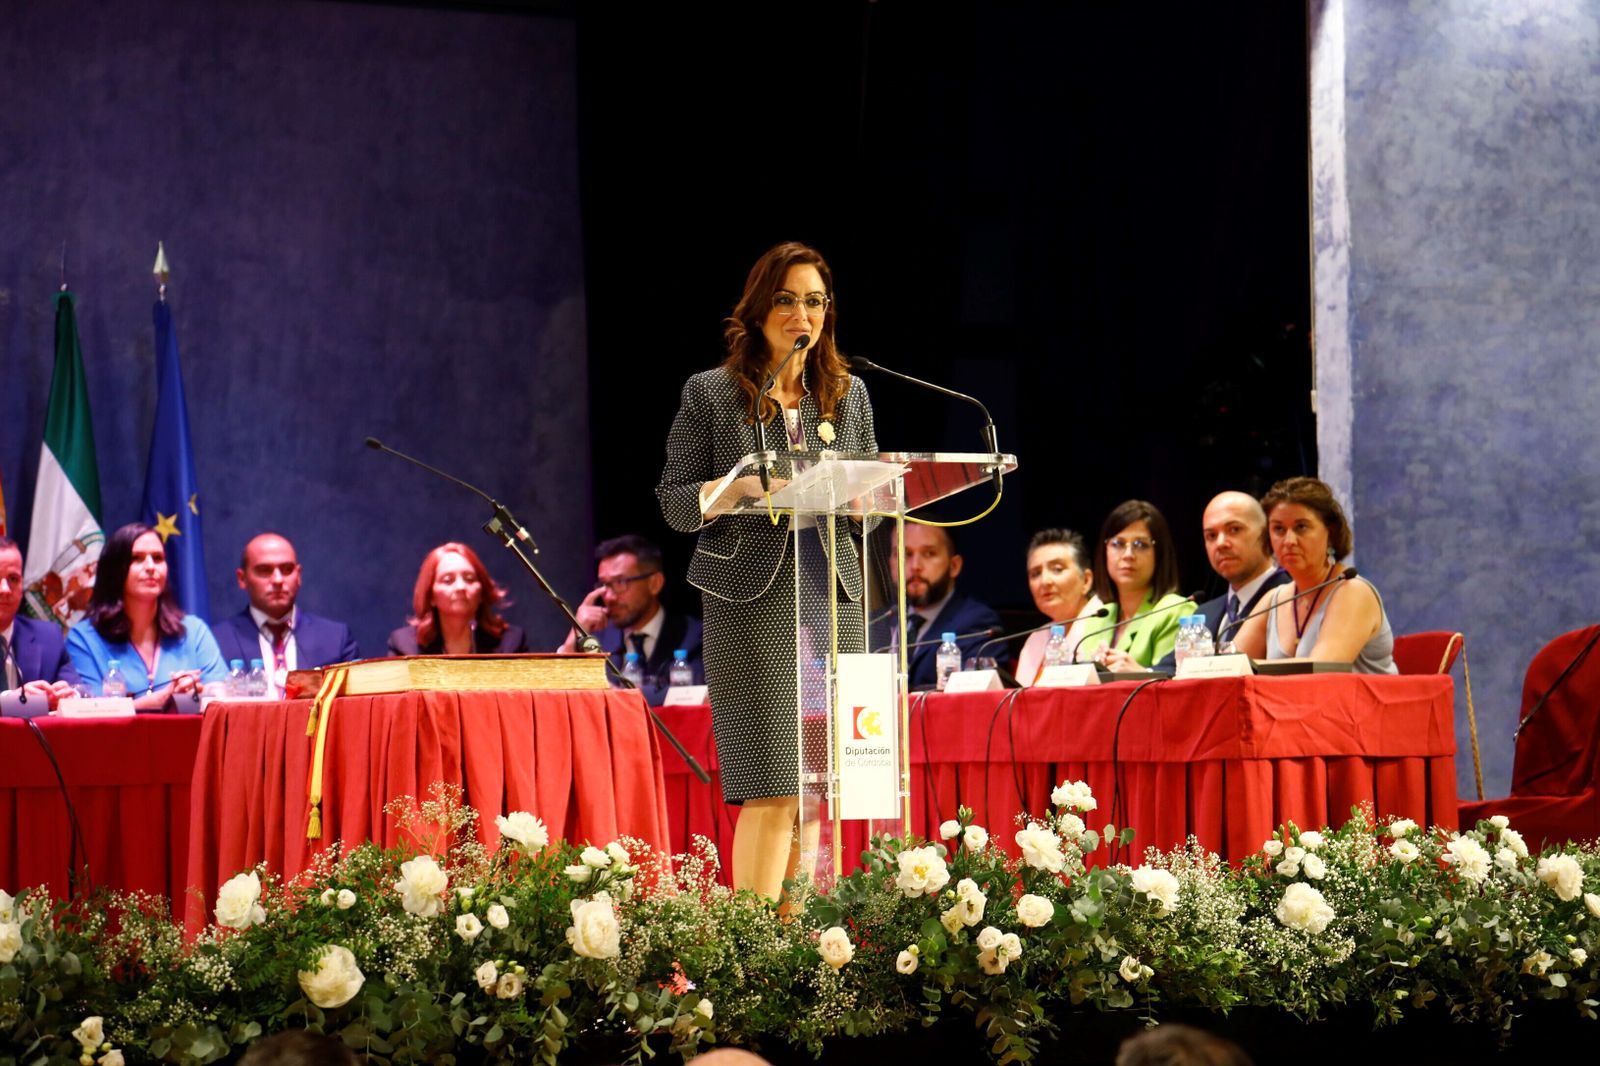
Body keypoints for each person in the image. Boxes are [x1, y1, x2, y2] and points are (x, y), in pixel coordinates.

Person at [656, 240, 876, 901]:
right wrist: (742, 486)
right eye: (785, 299)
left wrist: (866, 493)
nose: (799, 313)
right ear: (758, 310)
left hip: (830, 594)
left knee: (817, 786)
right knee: (774, 780)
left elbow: (864, 495)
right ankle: (749, 946)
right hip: (752, 599)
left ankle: (798, 942)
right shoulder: (713, 394)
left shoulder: (847, 393)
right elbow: (674, 501)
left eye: (813, 301)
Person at [1234, 476, 1397, 673]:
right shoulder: (1274, 600)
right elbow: (1229, 669)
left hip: (1360, 704)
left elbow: (1321, 673)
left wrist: (1252, 669)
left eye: (1301, 527)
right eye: (1278, 529)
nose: (1289, 540)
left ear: (1331, 532)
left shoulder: (1353, 591)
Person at [64, 522, 227, 708]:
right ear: (115, 569)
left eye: (158, 558)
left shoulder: (194, 631)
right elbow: (89, 710)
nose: (150, 566)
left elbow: (221, 690)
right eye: (137, 559)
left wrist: (202, 691)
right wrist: (162, 699)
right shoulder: (83, 639)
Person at [559, 533, 704, 704]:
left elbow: (699, 694)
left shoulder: (695, 636)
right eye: (604, 584)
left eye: (620, 582)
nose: (609, 596)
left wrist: (619, 697)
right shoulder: (597, 638)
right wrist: (574, 636)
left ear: (654, 583)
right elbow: (560, 696)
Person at [210, 533, 361, 695]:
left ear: (298, 575)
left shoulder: (335, 638)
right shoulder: (217, 641)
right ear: (242, 579)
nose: (277, 580)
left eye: (287, 569)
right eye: (264, 570)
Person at [1155, 491, 1289, 669]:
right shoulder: (1207, 611)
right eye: (1211, 536)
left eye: (1234, 529)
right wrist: (1136, 672)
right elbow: (1171, 669)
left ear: (1266, 534)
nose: (1220, 543)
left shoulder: (1290, 597)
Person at [1075, 500, 1194, 669]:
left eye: (1141, 545)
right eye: (1118, 544)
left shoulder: (1176, 611)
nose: (1128, 555)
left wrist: (1140, 673)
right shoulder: (1099, 617)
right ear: (1105, 551)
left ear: (1159, 554)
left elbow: (1177, 686)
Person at [889, 523, 1003, 688]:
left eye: (929, 553)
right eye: (904, 554)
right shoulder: (877, 624)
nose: (915, 566)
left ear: (954, 566)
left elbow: (975, 696)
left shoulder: (979, 624)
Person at [387, 542, 529, 655]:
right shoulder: (405, 646)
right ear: (431, 596)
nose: (461, 587)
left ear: (481, 591)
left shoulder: (511, 642)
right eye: (448, 580)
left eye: (469, 579)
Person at [0, 535, 80, 713]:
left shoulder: (48, 636)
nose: (5, 589)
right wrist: (9, 701)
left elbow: (78, 690)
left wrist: (67, 695)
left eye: (13, 579)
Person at [1015, 528, 1102, 686]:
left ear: (1087, 580)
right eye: (1035, 573)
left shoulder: (1107, 626)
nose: (1045, 581)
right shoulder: (1036, 638)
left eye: (1057, 569)